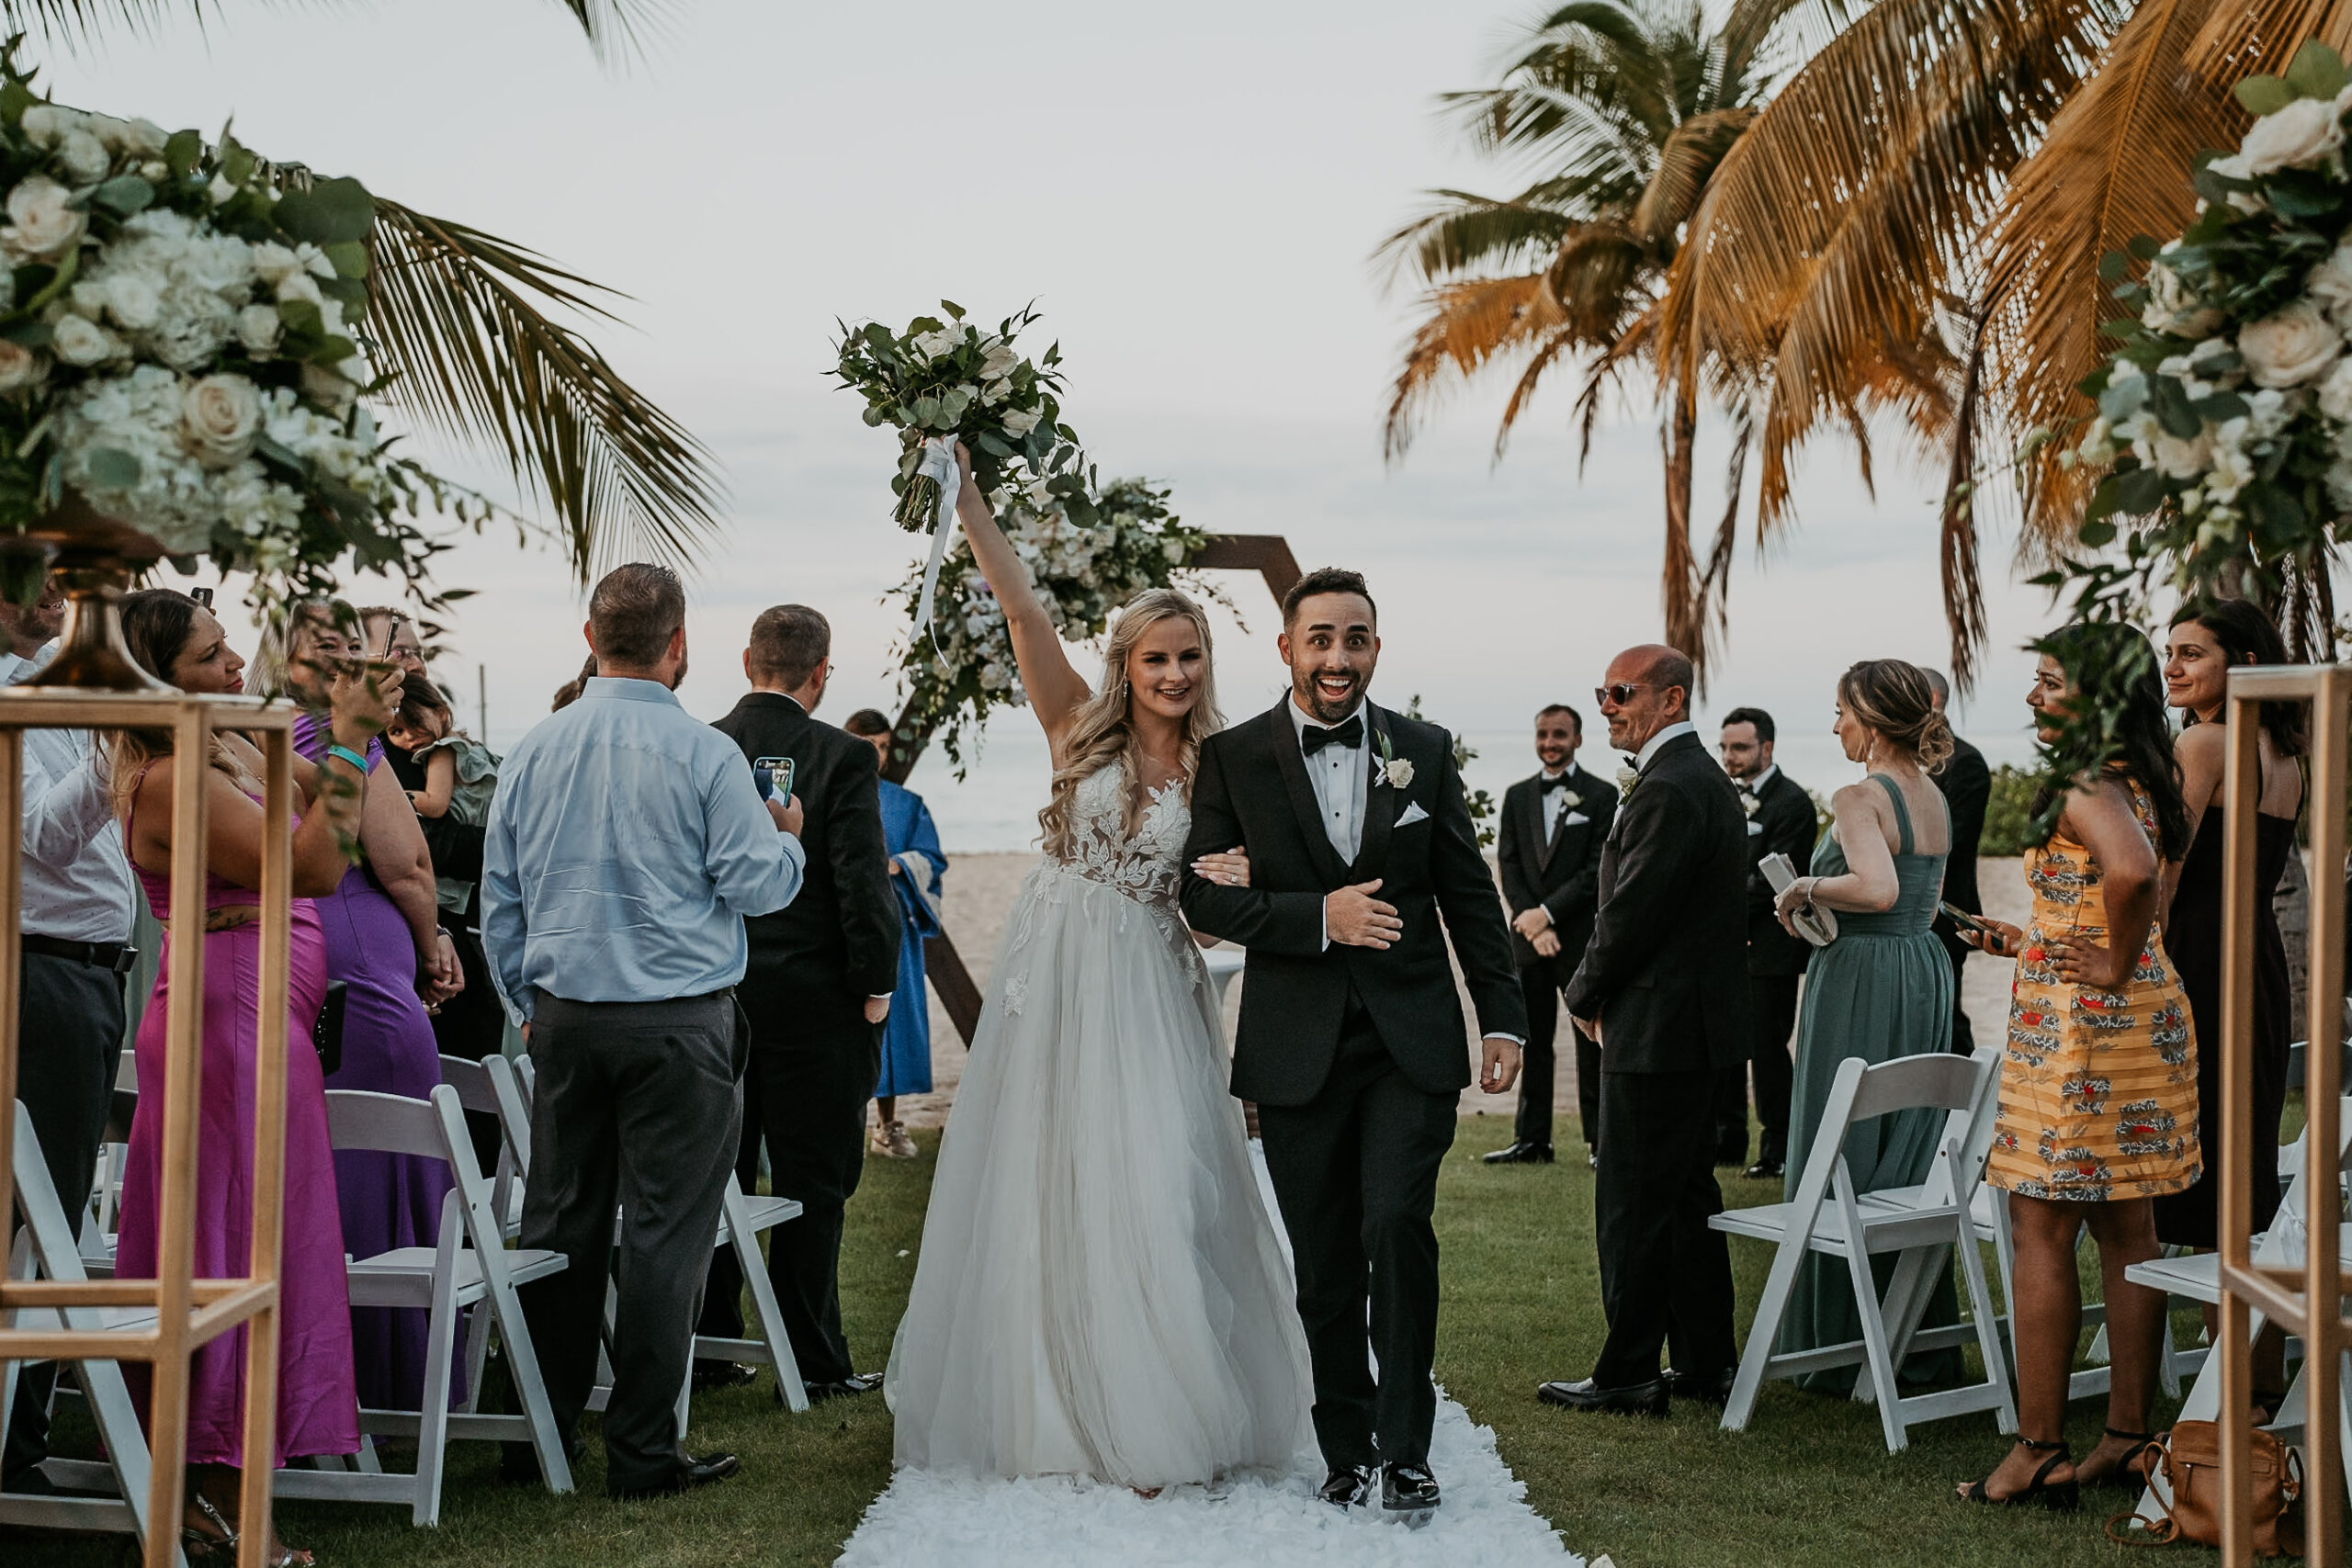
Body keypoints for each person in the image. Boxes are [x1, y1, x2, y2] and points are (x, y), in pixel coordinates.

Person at [891, 445, 1313, 1496]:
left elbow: (1220, 916)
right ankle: (1057, 1401)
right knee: (1049, 1177)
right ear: (1126, 665)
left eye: (1191, 660)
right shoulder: (1074, 727)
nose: (1175, 676)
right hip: (1057, 979)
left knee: (1157, 1179)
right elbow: (1023, 610)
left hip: (1151, 988)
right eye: (1157, 659)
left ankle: (1158, 1406)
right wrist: (972, 501)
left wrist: (1235, 879)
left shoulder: (1229, 769)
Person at [1181, 565, 1525, 1521]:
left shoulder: (1423, 749)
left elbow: (1465, 891)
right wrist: (1315, 916)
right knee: (1326, 1260)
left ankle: (1407, 1451)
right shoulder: (1234, 759)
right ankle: (1345, 1446)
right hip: (1293, 1049)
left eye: (1356, 638)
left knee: (1395, 1230)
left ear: (1376, 647)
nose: (1338, 657)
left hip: (1409, 1042)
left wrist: (1502, 1015)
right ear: (1286, 647)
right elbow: (1203, 897)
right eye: (1321, 638)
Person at [482, 563, 807, 1500]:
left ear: (590, 638)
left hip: (568, 1023)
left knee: (556, 1225)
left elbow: (501, 901)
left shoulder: (536, 748)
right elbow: (755, 885)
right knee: (668, 1234)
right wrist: (784, 833)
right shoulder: (705, 756)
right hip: (679, 1026)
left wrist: (527, 1009)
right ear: (679, 647)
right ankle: (642, 1451)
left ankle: (535, 1436)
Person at [113, 588, 390, 1563]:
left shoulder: (222, 754)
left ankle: (215, 1490)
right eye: (209, 660)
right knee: (232, 1252)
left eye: (231, 651)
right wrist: (352, 745)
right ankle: (215, 1504)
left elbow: (328, 812)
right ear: (157, 686)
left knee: (257, 1244)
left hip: (250, 1012)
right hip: (229, 1026)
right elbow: (316, 867)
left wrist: (336, 733)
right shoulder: (170, 778)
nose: (235, 670)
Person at [1956, 625, 2198, 1507]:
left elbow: (2132, 873)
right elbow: (2128, 888)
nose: (2033, 696)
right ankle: (2130, 1436)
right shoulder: (2149, 774)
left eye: (2050, 682)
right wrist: (2044, 939)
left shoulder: (2080, 777)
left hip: (2085, 1030)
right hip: (2144, 1021)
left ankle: (2037, 1448)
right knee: (2129, 1228)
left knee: (2040, 1227)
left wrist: (2103, 963)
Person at [251, 605, 465, 1416]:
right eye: (332, 646)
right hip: (367, 972)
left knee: (327, 1161)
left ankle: (321, 1380)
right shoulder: (345, 741)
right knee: (386, 1153)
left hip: (303, 957)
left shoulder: (257, 734)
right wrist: (435, 938)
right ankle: (394, 1383)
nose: (349, 658)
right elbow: (405, 861)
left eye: (352, 644)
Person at [696, 605, 899, 1403]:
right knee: (815, 1180)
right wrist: (875, 983)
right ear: (821, 673)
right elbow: (861, 881)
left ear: (748, 659)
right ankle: (812, 1356)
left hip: (718, 998)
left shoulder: (703, 743)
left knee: (719, 1175)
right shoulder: (843, 755)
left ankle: (711, 1346)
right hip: (816, 1006)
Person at [1542, 645, 1746, 1417]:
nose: (1607, 706)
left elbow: (1630, 912)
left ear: (1671, 698)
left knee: (1632, 1199)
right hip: (1692, 1026)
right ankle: (1703, 1359)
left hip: (1660, 1026)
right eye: (1602, 691)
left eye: (1621, 692)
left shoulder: (1671, 786)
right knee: (1687, 1195)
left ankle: (1630, 1369)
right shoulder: (1696, 779)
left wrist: (1582, 991)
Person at [1767, 660, 1962, 1389]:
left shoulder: (1860, 794)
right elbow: (1919, 893)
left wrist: (1802, 887)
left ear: (1874, 722)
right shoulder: (1933, 793)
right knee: (1904, 1146)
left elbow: (1877, 889)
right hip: (1922, 968)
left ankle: (1836, 1346)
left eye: (1842, 710)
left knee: (1841, 1137)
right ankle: (1910, 1336)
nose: (1837, 723)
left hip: (1861, 977)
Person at [0, 583, 140, 1496]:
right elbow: (44, 838)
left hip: (86, 971)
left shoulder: (52, 686)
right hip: (42, 973)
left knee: (51, 1209)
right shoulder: (16, 697)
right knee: (36, 1215)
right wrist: (109, 733)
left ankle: (22, 1433)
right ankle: (16, 1444)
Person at [2152, 600, 2303, 1416]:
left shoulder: (2204, 741)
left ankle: (2228, 1390)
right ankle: (2259, 1376)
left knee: (2206, 1169)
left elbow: (2162, 882)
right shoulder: (2286, 749)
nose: (2172, 667)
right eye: (2169, 652)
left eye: (2192, 654)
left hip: (2203, 962)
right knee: (2246, 1166)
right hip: (2259, 962)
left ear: (2240, 660)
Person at [1488, 703, 1613, 1167]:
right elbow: (1510, 865)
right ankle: (1532, 1141)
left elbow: (1595, 872)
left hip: (1579, 941)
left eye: (1559, 735)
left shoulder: (1601, 796)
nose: (1549, 743)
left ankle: (1601, 1143)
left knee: (1590, 1042)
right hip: (1528, 941)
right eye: (1542, 734)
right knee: (1532, 1041)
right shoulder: (1517, 796)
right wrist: (1528, 919)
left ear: (1577, 739)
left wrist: (1546, 915)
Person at [842, 706, 946, 1160]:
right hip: (837, 931)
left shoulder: (906, 805)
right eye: (869, 746)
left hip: (892, 931)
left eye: (883, 746)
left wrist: (898, 864)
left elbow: (932, 858)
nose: (878, 755)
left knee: (892, 1023)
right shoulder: (830, 793)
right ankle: (846, 1125)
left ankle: (887, 1125)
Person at [1717, 706, 1814, 1180]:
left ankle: (1778, 1145)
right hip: (1727, 947)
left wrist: (1711, 909)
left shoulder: (1791, 803)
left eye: (1740, 748)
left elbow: (1776, 884)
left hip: (1772, 948)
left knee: (1768, 1050)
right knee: (1726, 1044)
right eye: (1725, 748)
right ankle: (1727, 1138)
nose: (1730, 757)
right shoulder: (1721, 796)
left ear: (1767, 748)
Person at [383, 674, 500, 916]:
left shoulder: (441, 751)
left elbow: (435, 804)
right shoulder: (466, 743)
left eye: (415, 723)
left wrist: (390, 795)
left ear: (442, 714)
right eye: (396, 731)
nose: (408, 736)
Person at [1921, 669, 1991, 1053]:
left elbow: (1953, 844)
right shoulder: (1901, 762)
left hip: (1944, 915)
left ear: (1933, 700)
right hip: (1907, 914)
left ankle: (1962, 1103)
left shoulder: (1965, 763)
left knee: (1945, 1016)